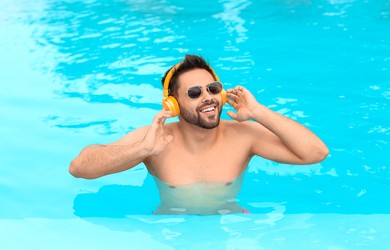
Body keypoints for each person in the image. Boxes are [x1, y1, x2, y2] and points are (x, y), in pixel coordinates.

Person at [69, 54, 329, 215]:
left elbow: (317, 153)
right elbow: (79, 168)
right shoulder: (154, 140)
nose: (208, 98)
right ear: (172, 105)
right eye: (194, 93)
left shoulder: (244, 136)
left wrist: (259, 112)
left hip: (233, 219)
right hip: (170, 223)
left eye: (213, 89)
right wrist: (142, 151)